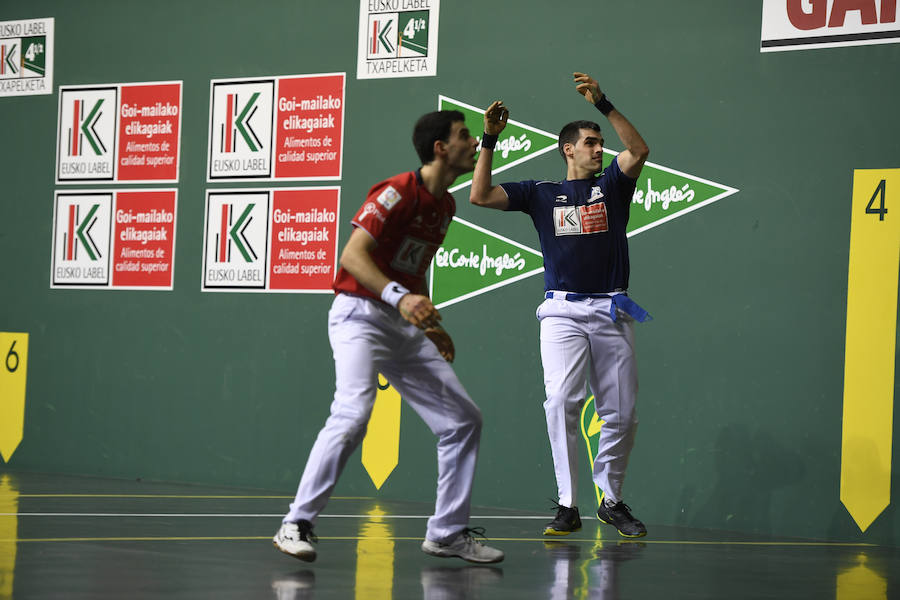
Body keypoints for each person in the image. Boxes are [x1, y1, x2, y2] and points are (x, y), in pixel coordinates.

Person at [273, 110, 504, 564]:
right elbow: (353, 256)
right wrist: (401, 299)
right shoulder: (397, 190)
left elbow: (413, 268)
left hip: (401, 325)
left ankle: (447, 532)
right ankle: (295, 523)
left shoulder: (445, 206)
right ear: (441, 148)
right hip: (359, 316)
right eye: (463, 136)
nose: (473, 141)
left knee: (463, 419)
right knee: (354, 412)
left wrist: (429, 324)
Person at [469, 72, 651, 538]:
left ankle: (610, 500)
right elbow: (480, 195)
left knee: (622, 413)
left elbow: (639, 150)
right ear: (568, 149)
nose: (600, 149)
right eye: (591, 142)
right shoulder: (539, 193)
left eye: (601, 143)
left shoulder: (613, 186)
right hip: (563, 314)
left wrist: (604, 105)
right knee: (561, 404)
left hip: (612, 310)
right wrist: (489, 139)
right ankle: (569, 504)